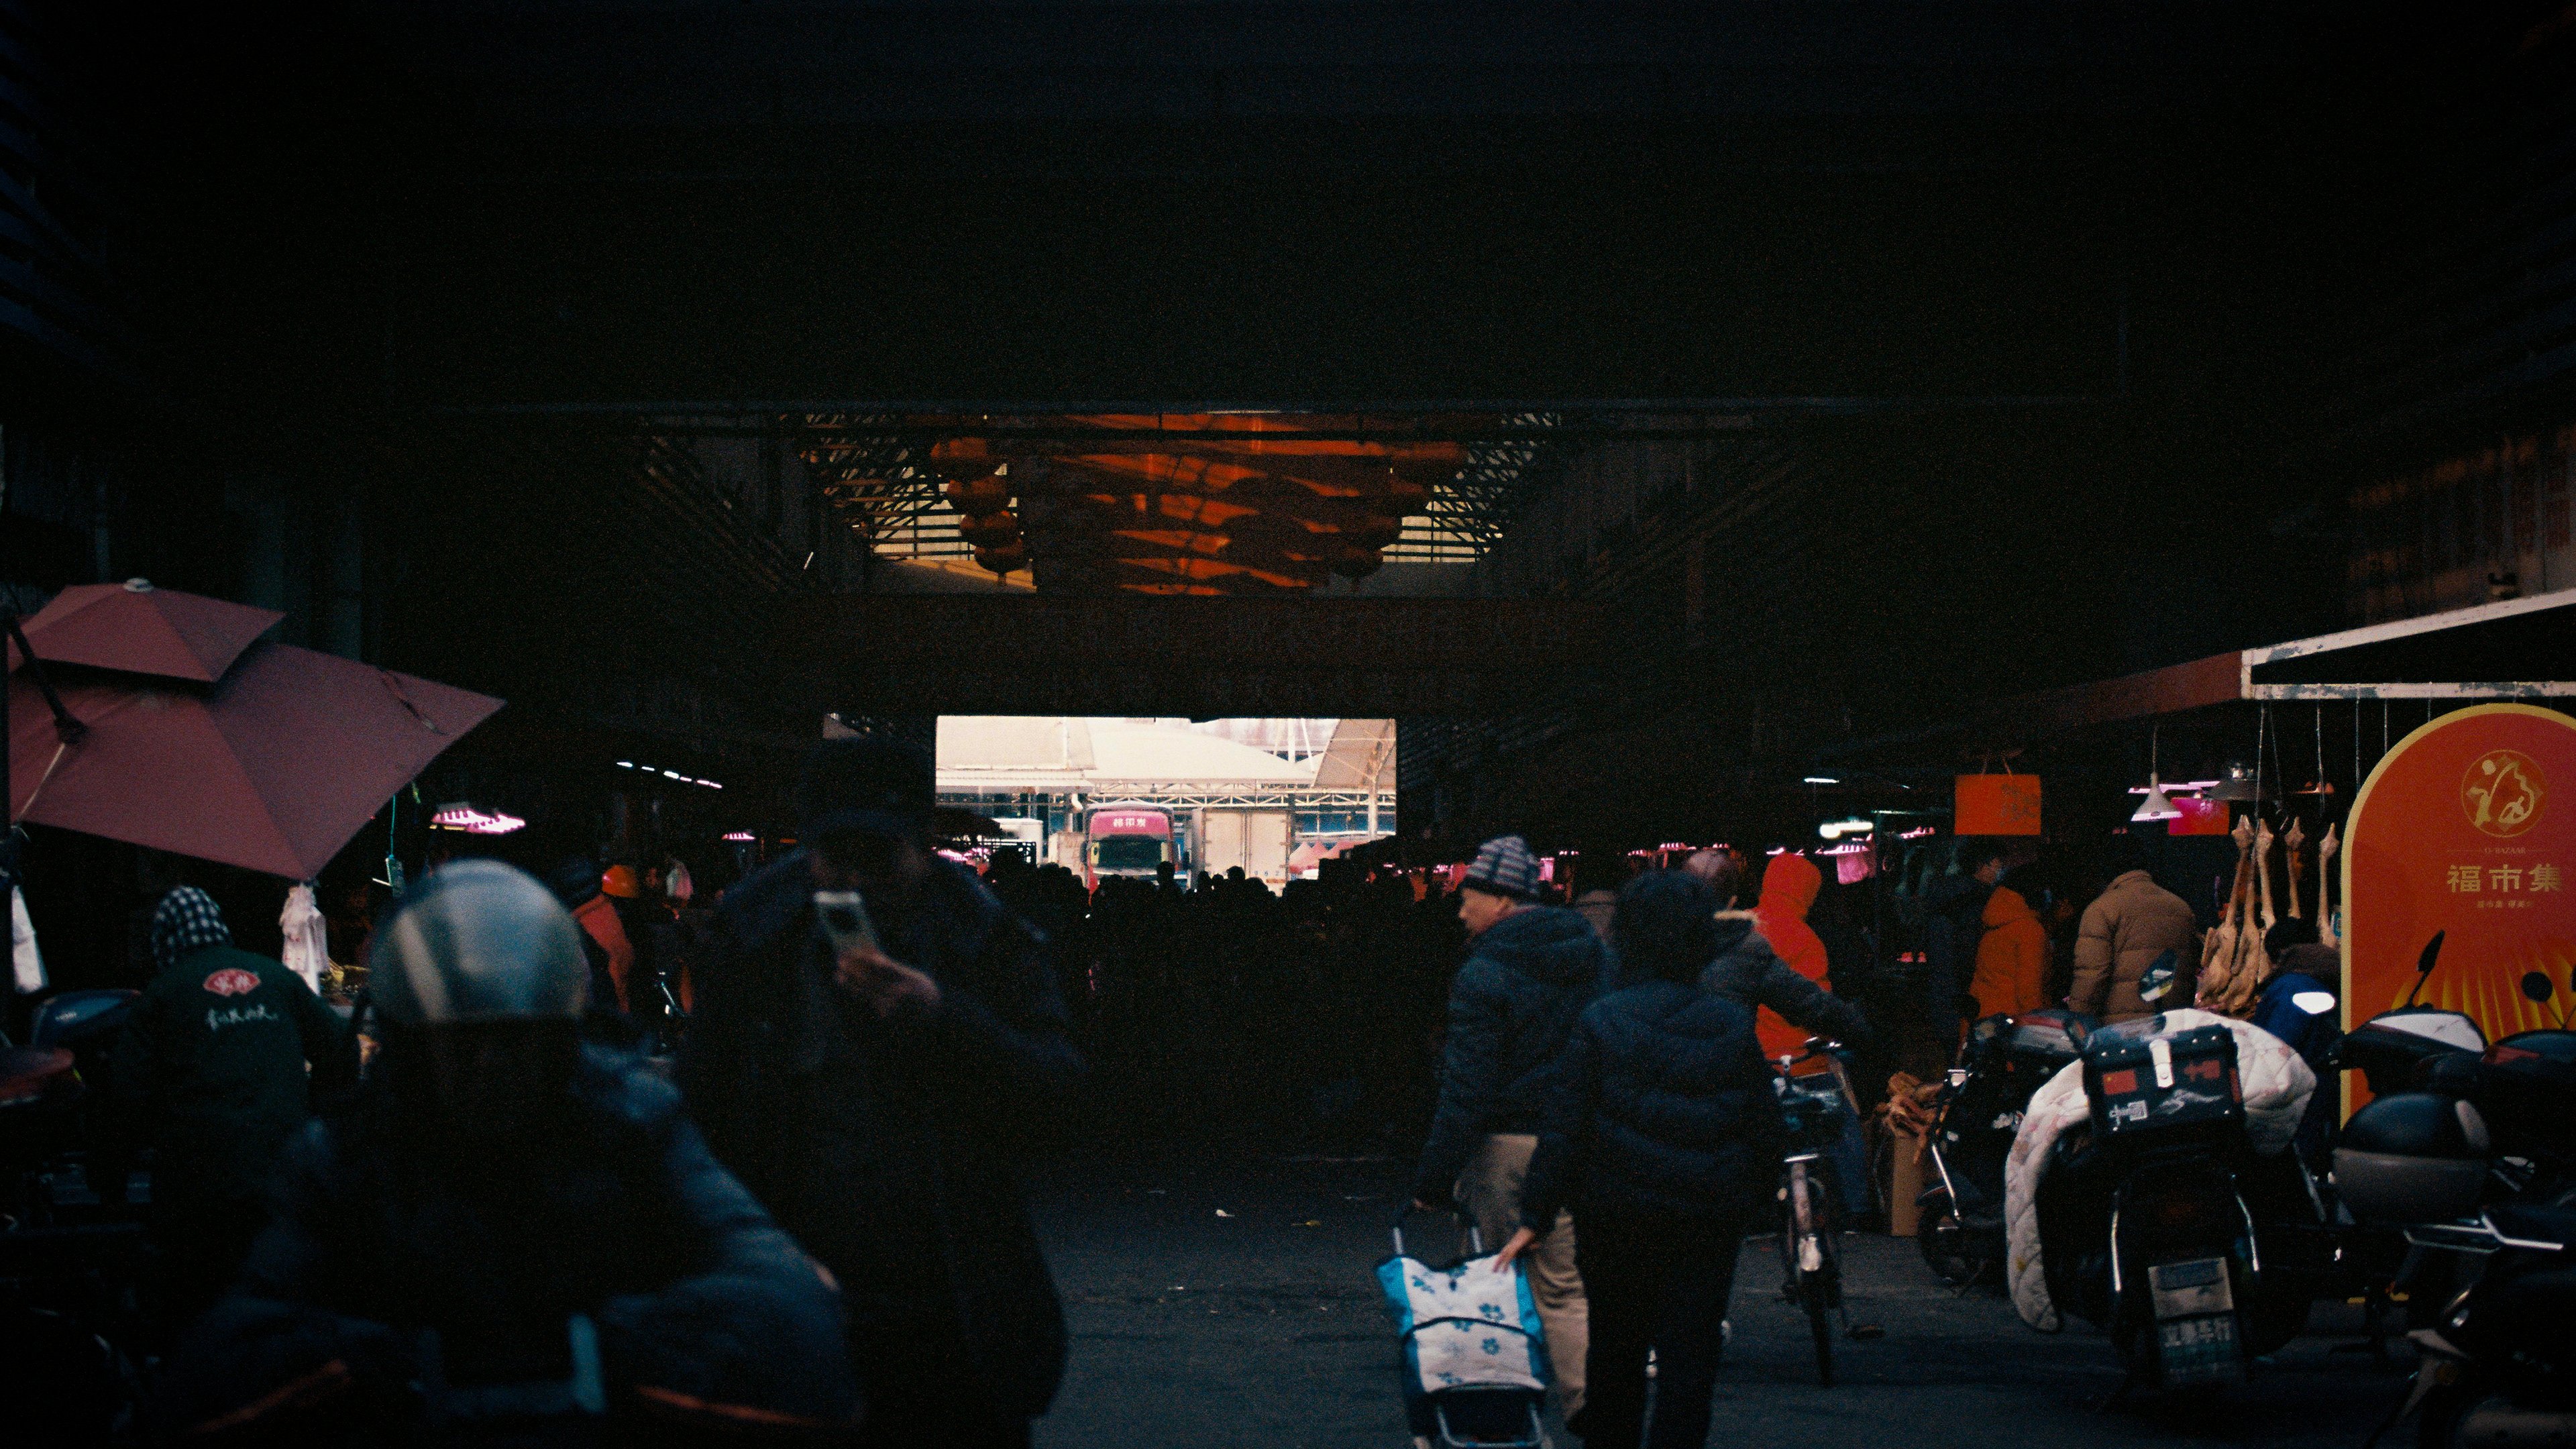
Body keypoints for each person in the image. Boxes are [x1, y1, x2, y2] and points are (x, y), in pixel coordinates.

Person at [153, 860, 855, 1441]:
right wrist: (397, 1362)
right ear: (411, 1048)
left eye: (515, 1040)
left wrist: (599, 1349)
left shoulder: (632, 1122)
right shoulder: (346, 1153)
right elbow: (219, 1365)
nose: (489, 1065)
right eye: (461, 1043)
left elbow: (787, 1305)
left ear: (557, 1040)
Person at [683, 738, 1084, 1449]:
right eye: (838, 857)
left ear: (922, 849)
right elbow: (702, 1107)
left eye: (879, 857)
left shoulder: (985, 939)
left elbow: (1060, 1100)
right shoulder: (757, 938)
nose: (857, 881)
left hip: (946, 1308)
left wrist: (945, 1019)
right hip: (796, 1298)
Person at [1497, 872, 1780, 1449]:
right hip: (1704, 1223)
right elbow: (1764, 1129)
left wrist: (1536, 1215)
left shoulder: (1602, 1020)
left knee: (1615, 1358)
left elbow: (1566, 1128)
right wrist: (1744, 1203)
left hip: (1616, 1219)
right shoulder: (1729, 1023)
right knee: (1689, 1366)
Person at [1409, 833, 1605, 1422]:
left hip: (1507, 1147)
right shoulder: (1593, 957)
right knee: (1563, 1285)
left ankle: (1501, 1410)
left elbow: (1467, 1089)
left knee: (1496, 1281)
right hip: (1578, 1141)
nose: (1460, 910)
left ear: (1501, 900)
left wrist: (1433, 1178)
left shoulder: (1484, 973)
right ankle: (1589, 1404)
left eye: (1468, 896)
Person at [108, 885, 358, 1334]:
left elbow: (124, 1101)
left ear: (165, 941)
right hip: (287, 1178)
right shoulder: (275, 977)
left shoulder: (159, 997)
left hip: (199, 1196)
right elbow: (342, 1049)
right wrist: (319, 1115)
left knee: (199, 1321)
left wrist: (108, 1179)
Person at [1697, 853, 1869, 1061]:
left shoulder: (1740, 928)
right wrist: (1865, 1036)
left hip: (1744, 1053)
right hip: (1797, 1058)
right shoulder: (1804, 938)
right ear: (1807, 892)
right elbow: (1818, 1010)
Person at [2068, 835, 2200, 1023]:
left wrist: (2077, 1021)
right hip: (2173, 1025)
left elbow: (2092, 976)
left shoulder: (2102, 909)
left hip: (2122, 1029)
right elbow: (2188, 972)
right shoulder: (2181, 907)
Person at [1922, 841, 2004, 1022]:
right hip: (1964, 984)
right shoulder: (1979, 900)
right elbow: (1969, 948)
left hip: (1941, 982)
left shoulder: (1943, 892)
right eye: (1996, 867)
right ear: (1980, 866)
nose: (1998, 873)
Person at [1969, 864, 2052, 1020]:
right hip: (2012, 1020)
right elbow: (2029, 991)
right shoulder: (2029, 930)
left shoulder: (1993, 921)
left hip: (1983, 1015)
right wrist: (2037, 1023)